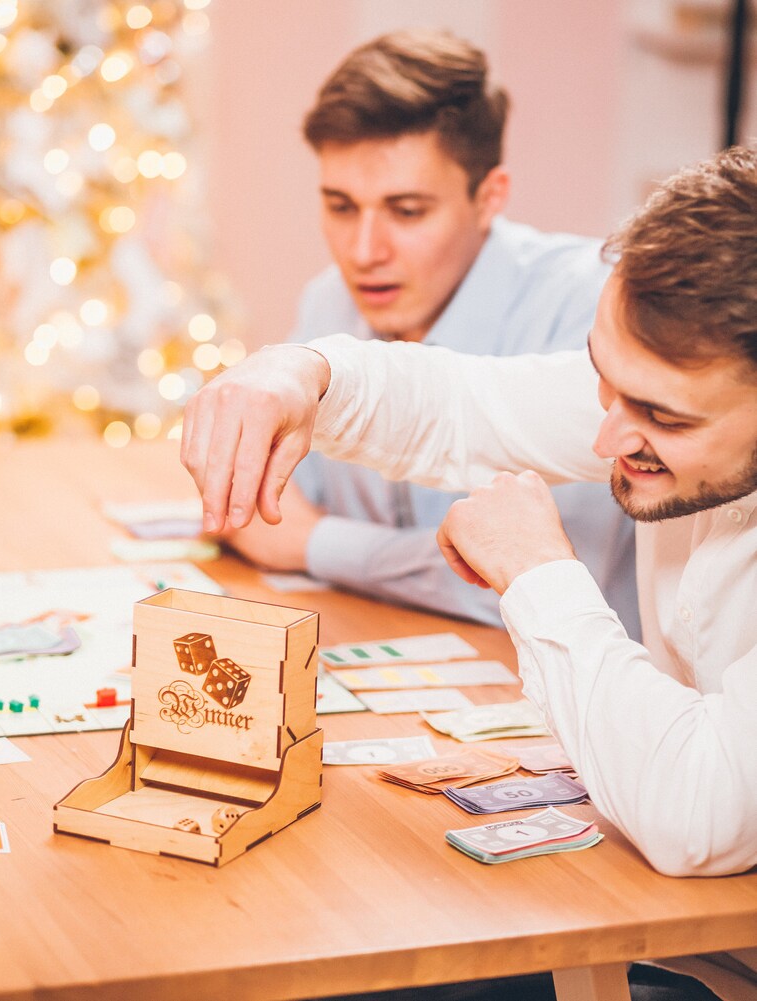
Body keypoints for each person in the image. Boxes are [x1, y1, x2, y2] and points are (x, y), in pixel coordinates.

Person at [181, 145, 757, 1001]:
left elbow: (696, 812)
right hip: (672, 933)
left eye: (662, 418)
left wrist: (535, 568)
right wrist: (301, 371)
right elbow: (466, 405)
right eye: (604, 381)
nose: (606, 438)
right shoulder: (675, 389)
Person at [218, 29, 639, 636]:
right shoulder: (328, 300)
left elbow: (546, 585)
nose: (364, 251)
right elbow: (262, 510)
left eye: (407, 211)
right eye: (341, 206)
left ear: (489, 197)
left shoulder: (592, 308)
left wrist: (315, 544)